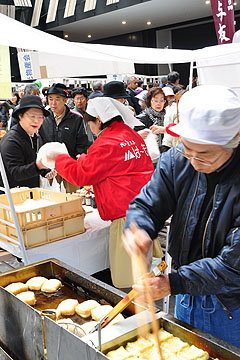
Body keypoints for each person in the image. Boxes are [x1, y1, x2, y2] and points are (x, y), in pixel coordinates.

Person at [123, 85, 240, 348]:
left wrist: (174, 282)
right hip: (184, 295)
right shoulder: (178, 160)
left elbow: (234, 265)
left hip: (231, 304)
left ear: (235, 139)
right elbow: (147, 204)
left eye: (206, 153)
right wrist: (139, 228)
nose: (194, 160)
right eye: (187, 148)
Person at [41, 97, 154, 289]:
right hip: (145, 210)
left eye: (90, 123)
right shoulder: (131, 135)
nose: (90, 128)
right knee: (144, 268)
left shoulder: (106, 143)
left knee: (131, 279)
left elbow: (81, 175)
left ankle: (135, 315)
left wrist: (60, 159)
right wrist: (86, 158)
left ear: (99, 119)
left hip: (126, 217)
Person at [39, 83, 88, 193]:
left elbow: (82, 143)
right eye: (50, 99)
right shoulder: (43, 118)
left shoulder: (76, 118)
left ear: (65, 101)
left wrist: (75, 165)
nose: (53, 103)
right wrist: (45, 169)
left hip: (70, 169)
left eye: (57, 99)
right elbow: (40, 143)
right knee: (52, 202)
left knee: (72, 200)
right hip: (50, 170)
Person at [0, 95, 55, 190]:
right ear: (20, 116)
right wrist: (38, 166)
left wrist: (45, 171)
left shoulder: (36, 136)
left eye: (40, 117)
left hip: (31, 195)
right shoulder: (11, 140)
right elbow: (15, 173)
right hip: (13, 197)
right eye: (32, 116)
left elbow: (32, 161)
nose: (36, 121)